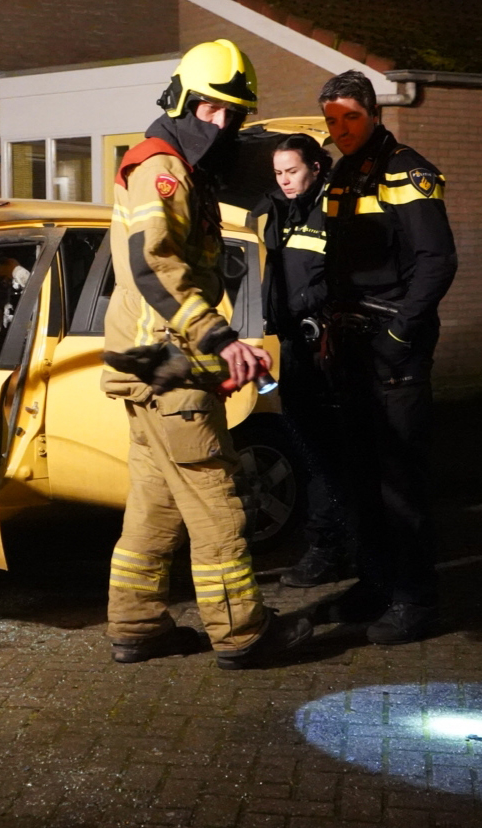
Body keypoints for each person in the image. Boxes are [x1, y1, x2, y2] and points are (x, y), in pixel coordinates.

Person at [101, 39, 315, 670]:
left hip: (143, 358)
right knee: (215, 495)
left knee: (154, 498)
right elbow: (152, 266)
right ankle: (243, 632)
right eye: (211, 109)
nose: (221, 124)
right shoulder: (162, 168)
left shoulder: (175, 164)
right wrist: (221, 339)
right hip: (169, 359)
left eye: (232, 114)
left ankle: (137, 624)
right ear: (182, 100)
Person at [317, 70, 456, 645]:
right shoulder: (342, 173)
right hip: (348, 340)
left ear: (373, 113)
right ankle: (374, 584)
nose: (340, 128)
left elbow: (437, 261)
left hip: (391, 343)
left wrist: (401, 334)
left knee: (400, 478)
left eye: (350, 116)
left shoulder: (408, 171)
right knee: (359, 475)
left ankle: (415, 601)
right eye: (330, 119)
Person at [259, 134, 352, 588]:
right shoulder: (278, 209)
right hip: (293, 346)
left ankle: (328, 550)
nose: (284, 180)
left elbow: (346, 277)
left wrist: (303, 307)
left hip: (327, 349)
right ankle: (335, 544)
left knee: (327, 455)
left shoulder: (335, 210)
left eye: (292, 171)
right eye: (278, 173)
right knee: (309, 450)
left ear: (316, 167)